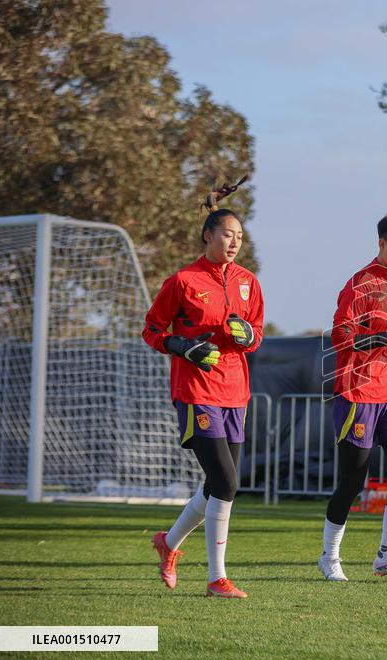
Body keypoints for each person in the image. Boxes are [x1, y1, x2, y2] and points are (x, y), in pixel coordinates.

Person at [143, 177, 264, 597]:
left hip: (236, 392)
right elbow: (152, 329)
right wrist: (179, 345)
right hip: (196, 391)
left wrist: (247, 335)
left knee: (217, 484)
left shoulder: (249, 281)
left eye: (240, 237)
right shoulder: (183, 281)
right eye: (227, 235)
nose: (234, 243)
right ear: (208, 235)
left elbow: (258, 333)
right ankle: (216, 579)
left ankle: (168, 543)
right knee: (227, 483)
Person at [318, 213, 387, 582]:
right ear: (381, 244)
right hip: (357, 390)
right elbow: (341, 338)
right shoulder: (359, 284)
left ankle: (386, 556)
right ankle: (329, 556)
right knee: (353, 481)